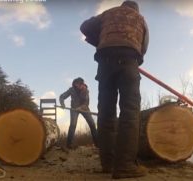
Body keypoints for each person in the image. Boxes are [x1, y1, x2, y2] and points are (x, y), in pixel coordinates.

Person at [80, 0, 149, 179]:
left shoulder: (108, 13)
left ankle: (108, 164)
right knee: (130, 113)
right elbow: (144, 47)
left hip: (105, 63)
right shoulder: (140, 19)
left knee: (106, 113)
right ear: (135, 9)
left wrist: (101, 40)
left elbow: (85, 26)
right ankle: (125, 166)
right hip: (129, 62)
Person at [59, 77, 98, 149]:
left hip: (84, 108)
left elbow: (86, 103)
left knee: (92, 124)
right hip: (74, 109)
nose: (77, 86)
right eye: (75, 85)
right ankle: (69, 144)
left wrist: (80, 108)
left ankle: (97, 143)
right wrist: (62, 104)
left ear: (82, 84)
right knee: (73, 125)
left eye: (79, 85)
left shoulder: (86, 90)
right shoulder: (71, 89)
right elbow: (62, 96)